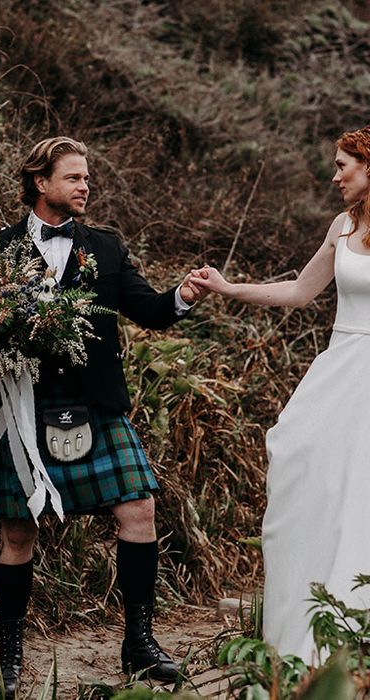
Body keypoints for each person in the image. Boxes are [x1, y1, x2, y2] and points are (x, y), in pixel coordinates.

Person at [0, 136, 207, 696]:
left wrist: (184, 295)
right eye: (73, 177)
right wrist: (3, 339)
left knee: (139, 509)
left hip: (95, 404)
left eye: (87, 177)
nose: (85, 185)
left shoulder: (106, 248)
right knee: (17, 532)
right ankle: (11, 656)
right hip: (25, 407)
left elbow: (149, 310)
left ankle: (139, 645)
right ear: (40, 183)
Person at [189, 126, 370, 663]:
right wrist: (227, 287)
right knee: (306, 475)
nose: (334, 176)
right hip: (340, 370)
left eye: (344, 166)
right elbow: (297, 291)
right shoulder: (343, 225)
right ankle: (313, 632)